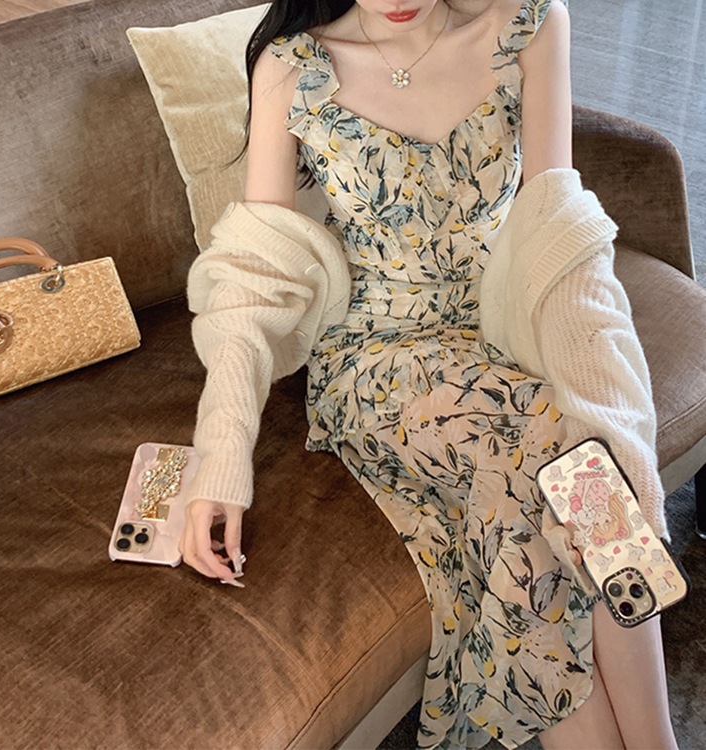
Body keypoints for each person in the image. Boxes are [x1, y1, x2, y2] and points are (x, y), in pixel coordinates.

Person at [179, 1, 679, 748]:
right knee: (553, 451)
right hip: (376, 359)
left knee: (584, 458)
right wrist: (218, 457)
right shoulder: (292, 67)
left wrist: (613, 417)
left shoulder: (530, 24)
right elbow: (255, 278)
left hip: (501, 331)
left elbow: (561, 235)